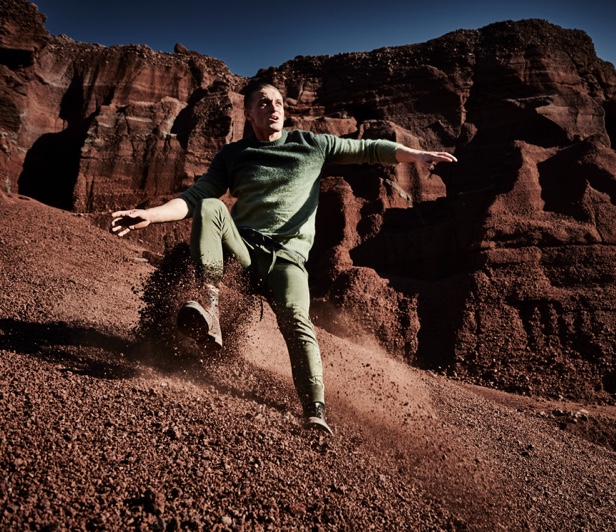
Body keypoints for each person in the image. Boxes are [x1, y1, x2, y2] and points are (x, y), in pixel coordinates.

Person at [111, 80, 457, 434]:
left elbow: (368, 148)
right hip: (242, 251)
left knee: (296, 320)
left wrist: (413, 155)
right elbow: (195, 197)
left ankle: (314, 410)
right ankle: (209, 308)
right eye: (263, 103)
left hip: (287, 261)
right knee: (212, 207)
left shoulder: (313, 145)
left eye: (278, 102)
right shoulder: (233, 155)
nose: (273, 108)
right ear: (249, 113)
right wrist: (150, 215)